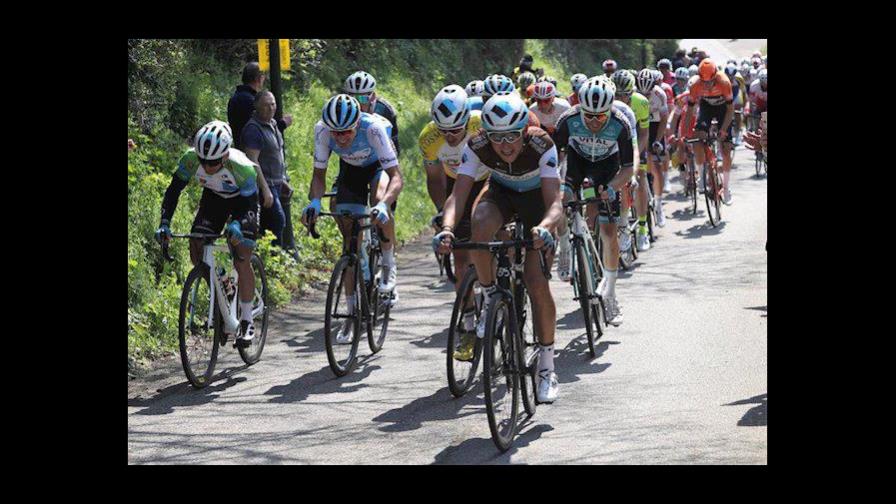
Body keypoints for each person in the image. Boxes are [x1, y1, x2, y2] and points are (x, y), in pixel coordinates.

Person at [434, 91, 563, 403]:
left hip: (536, 201)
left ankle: (547, 368)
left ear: (524, 131)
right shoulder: (476, 144)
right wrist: (447, 229)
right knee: (479, 223)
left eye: (511, 137)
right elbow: (458, 195)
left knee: (535, 281)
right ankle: (491, 293)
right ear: (486, 134)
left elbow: (555, 203)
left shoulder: (541, 144)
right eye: (496, 138)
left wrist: (545, 228)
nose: (505, 146)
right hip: (501, 192)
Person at [155, 121, 273, 346]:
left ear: (226, 155)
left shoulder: (243, 167)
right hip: (214, 200)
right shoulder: (190, 159)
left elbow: (249, 205)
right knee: (197, 246)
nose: (208, 167)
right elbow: (173, 191)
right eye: (203, 161)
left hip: (242, 203)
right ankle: (224, 287)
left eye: (214, 162)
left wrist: (238, 223)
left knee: (241, 257)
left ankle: (247, 320)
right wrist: (165, 222)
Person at [302, 95, 404, 341]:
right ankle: (351, 313)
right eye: (336, 133)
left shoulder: (374, 129)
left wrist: (384, 204)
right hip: (351, 171)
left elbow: (396, 177)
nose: (341, 138)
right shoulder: (322, 130)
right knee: (349, 243)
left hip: (378, 167)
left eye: (346, 132)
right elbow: (318, 176)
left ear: (357, 123)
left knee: (378, 197)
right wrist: (315, 202)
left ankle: (388, 262)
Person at [552, 78, 635, 327]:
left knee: (608, 232)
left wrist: (611, 188)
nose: (594, 122)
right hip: (576, 165)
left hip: (607, 169)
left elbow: (628, 169)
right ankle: (565, 246)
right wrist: (556, 182)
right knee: (560, 200)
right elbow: (552, 159)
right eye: (588, 115)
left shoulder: (620, 124)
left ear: (610, 109)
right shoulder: (568, 120)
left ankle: (610, 294)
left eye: (600, 116)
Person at [419, 85, 490, 360]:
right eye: (444, 130)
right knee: (460, 258)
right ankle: (469, 326)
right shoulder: (429, 138)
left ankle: (496, 297)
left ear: (466, 120)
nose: (449, 136)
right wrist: (442, 212)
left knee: (490, 243)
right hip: (456, 184)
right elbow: (435, 179)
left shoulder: (481, 125)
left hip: (487, 180)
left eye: (456, 130)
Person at [685, 59, 736, 204]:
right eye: (704, 82)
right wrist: (687, 134)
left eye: (710, 82)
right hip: (706, 107)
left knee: (726, 149)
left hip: (723, 109)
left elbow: (730, 110)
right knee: (697, 138)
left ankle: (726, 188)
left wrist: (723, 130)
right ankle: (702, 176)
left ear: (715, 76)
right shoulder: (695, 85)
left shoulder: (724, 82)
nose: (707, 85)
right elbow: (689, 111)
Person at [241, 91, 289, 247]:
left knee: (269, 223)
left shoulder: (273, 124)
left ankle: (266, 255)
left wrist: (283, 179)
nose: (271, 108)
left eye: (273, 104)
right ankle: (274, 255)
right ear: (256, 107)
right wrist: (265, 189)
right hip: (264, 184)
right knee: (278, 220)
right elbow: (252, 161)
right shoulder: (253, 129)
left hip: (276, 182)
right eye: (266, 105)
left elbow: (277, 154)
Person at [612, 70, 651, 252]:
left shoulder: (640, 102)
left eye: (625, 95)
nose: (621, 99)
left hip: (635, 139)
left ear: (632, 93)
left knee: (640, 174)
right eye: (617, 95)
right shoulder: (607, 103)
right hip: (616, 138)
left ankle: (642, 228)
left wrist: (634, 158)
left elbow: (643, 134)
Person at [227, 62, 292, 149]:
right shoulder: (254, 102)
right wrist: (283, 124)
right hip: (255, 151)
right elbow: (263, 130)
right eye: (263, 76)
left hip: (239, 149)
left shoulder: (234, 98)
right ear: (258, 78)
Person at [636, 69, 670, 226]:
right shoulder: (633, 94)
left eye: (648, 93)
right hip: (639, 125)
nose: (645, 96)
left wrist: (657, 140)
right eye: (642, 93)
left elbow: (664, 119)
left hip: (655, 125)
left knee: (656, 165)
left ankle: (658, 204)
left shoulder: (660, 94)